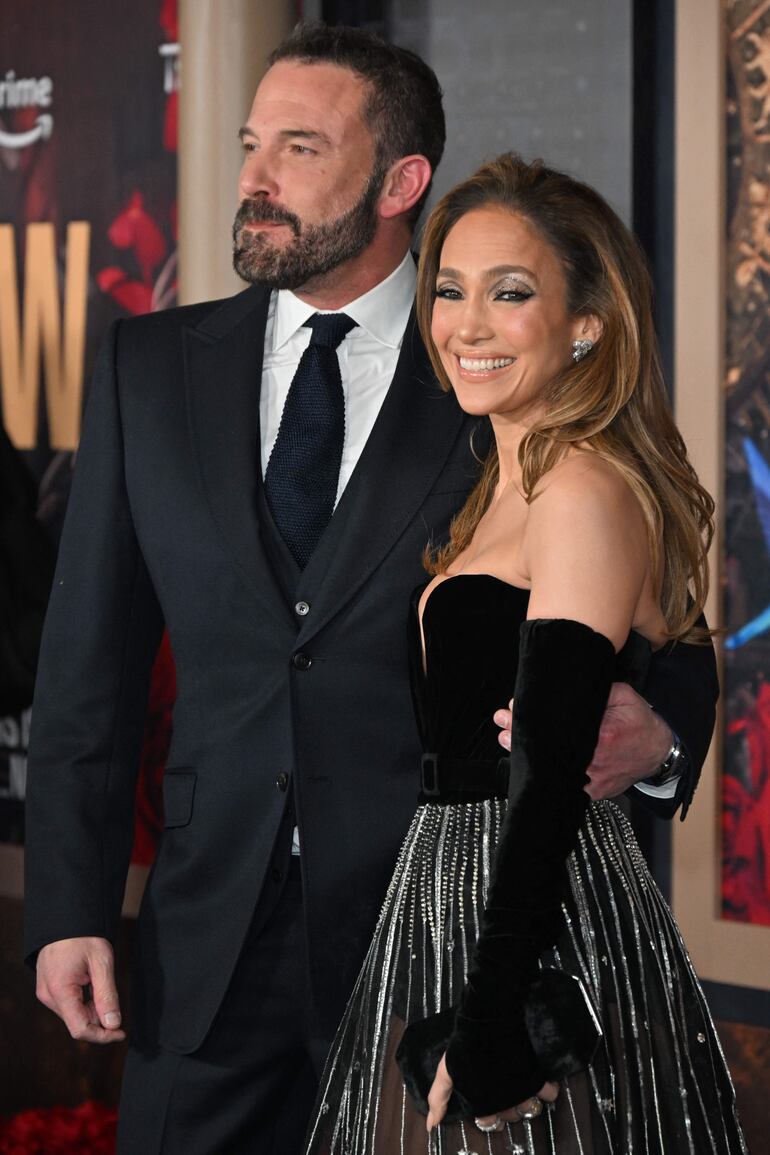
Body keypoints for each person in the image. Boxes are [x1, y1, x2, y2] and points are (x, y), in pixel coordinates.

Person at [24, 25, 717, 1155]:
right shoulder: (149, 371)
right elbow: (86, 664)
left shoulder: (501, 364)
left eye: (298, 148)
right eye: (251, 144)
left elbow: (667, 624)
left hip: (438, 935)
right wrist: (65, 908)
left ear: (400, 181)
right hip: (207, 941)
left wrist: (661, 731)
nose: (252, 179)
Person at [302, 153, 747, 1154]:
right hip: (440, 894)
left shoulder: (579, 489)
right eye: (449, 291)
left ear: (585, 321)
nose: (465, 325)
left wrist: (492, 1018)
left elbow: (545, 784)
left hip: (529, 911)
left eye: (509, 295)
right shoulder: (494, 478)